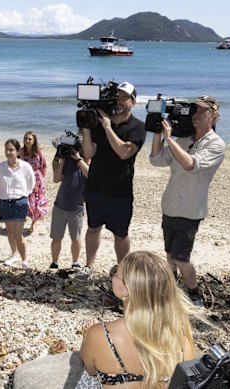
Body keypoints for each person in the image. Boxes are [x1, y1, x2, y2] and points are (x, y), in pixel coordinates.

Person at [77, 251, 197, 389]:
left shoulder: (101, 334)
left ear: (126, 290)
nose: (113, 275)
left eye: (116, 272)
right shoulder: (182, 336)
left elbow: (90, 368)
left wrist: (87, 337)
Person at [149, 95, 225, 307]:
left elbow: (191, 164)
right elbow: (156, 160)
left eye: (203, 111)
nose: (197, 115)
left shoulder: (216, 144)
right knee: (170, 255)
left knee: (181, 259)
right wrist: (157, 133)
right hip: (171, 204)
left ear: (215, 116)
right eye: (195, 110)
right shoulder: (184, 140)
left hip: (191, 209)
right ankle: (171, 290)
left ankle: (194, 292)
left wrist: (170, 139)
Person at [78, 82, 146, 282]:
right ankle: (89, 266)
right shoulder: (100, 125)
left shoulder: (138, 127)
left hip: (120, 190)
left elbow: (124, 152)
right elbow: (89, 153)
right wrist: (88, 128)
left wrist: (107, 127)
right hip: (96, 186)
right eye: (117, 96)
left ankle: (123, 271)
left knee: (120, 233)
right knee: (92, 228)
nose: (119, 100)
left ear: (133, 102)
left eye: (124, 97)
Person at [49, 136, 90, 269]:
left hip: (77, 208)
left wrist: (78, 158)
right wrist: (63, 159)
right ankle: (54, 262)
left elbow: (89, 174)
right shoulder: (66, 163)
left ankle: (75, 262)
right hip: (60, 207)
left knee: (76, 238)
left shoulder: (85, 163)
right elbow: (56, 179)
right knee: (56, 238)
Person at [0, 138, 36, 269]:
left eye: (11, 149)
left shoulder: (25, 166)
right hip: (4, 201)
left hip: (20, 202)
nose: (8, 152)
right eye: (6, 149)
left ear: (18, 151)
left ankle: (25, 260)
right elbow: (0, 184)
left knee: (18, 234)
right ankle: (14, 255)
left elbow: (31, 183)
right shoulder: (1, 167)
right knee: (10, 232)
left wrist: (25, 194)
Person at [20, 131, 48, 234]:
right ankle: (21, 221)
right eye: (26, 138)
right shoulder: (21, 152)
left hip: (37, 178)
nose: (27, 140)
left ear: (34, 141)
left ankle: (33, 223)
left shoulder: (39, 153)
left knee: (36, 201)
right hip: (24, 178)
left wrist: (40, 180)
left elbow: (43, 165)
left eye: (30, 139)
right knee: (24, 201)